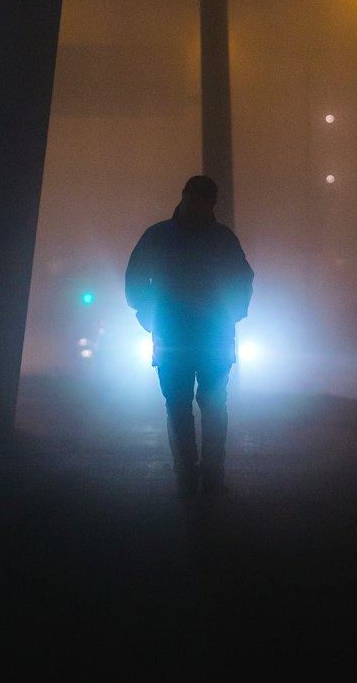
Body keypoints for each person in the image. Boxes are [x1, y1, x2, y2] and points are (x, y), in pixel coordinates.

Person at [125, 175, 254, 497]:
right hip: (211, 337)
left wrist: (148, 316)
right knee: (212, 407)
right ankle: (210, 477)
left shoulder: (159, 236)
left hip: (173, 337)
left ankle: (187, 474)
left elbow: (136, 281)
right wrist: (231, 316)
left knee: (179, 407)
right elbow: (242, 281)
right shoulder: (223, 239)